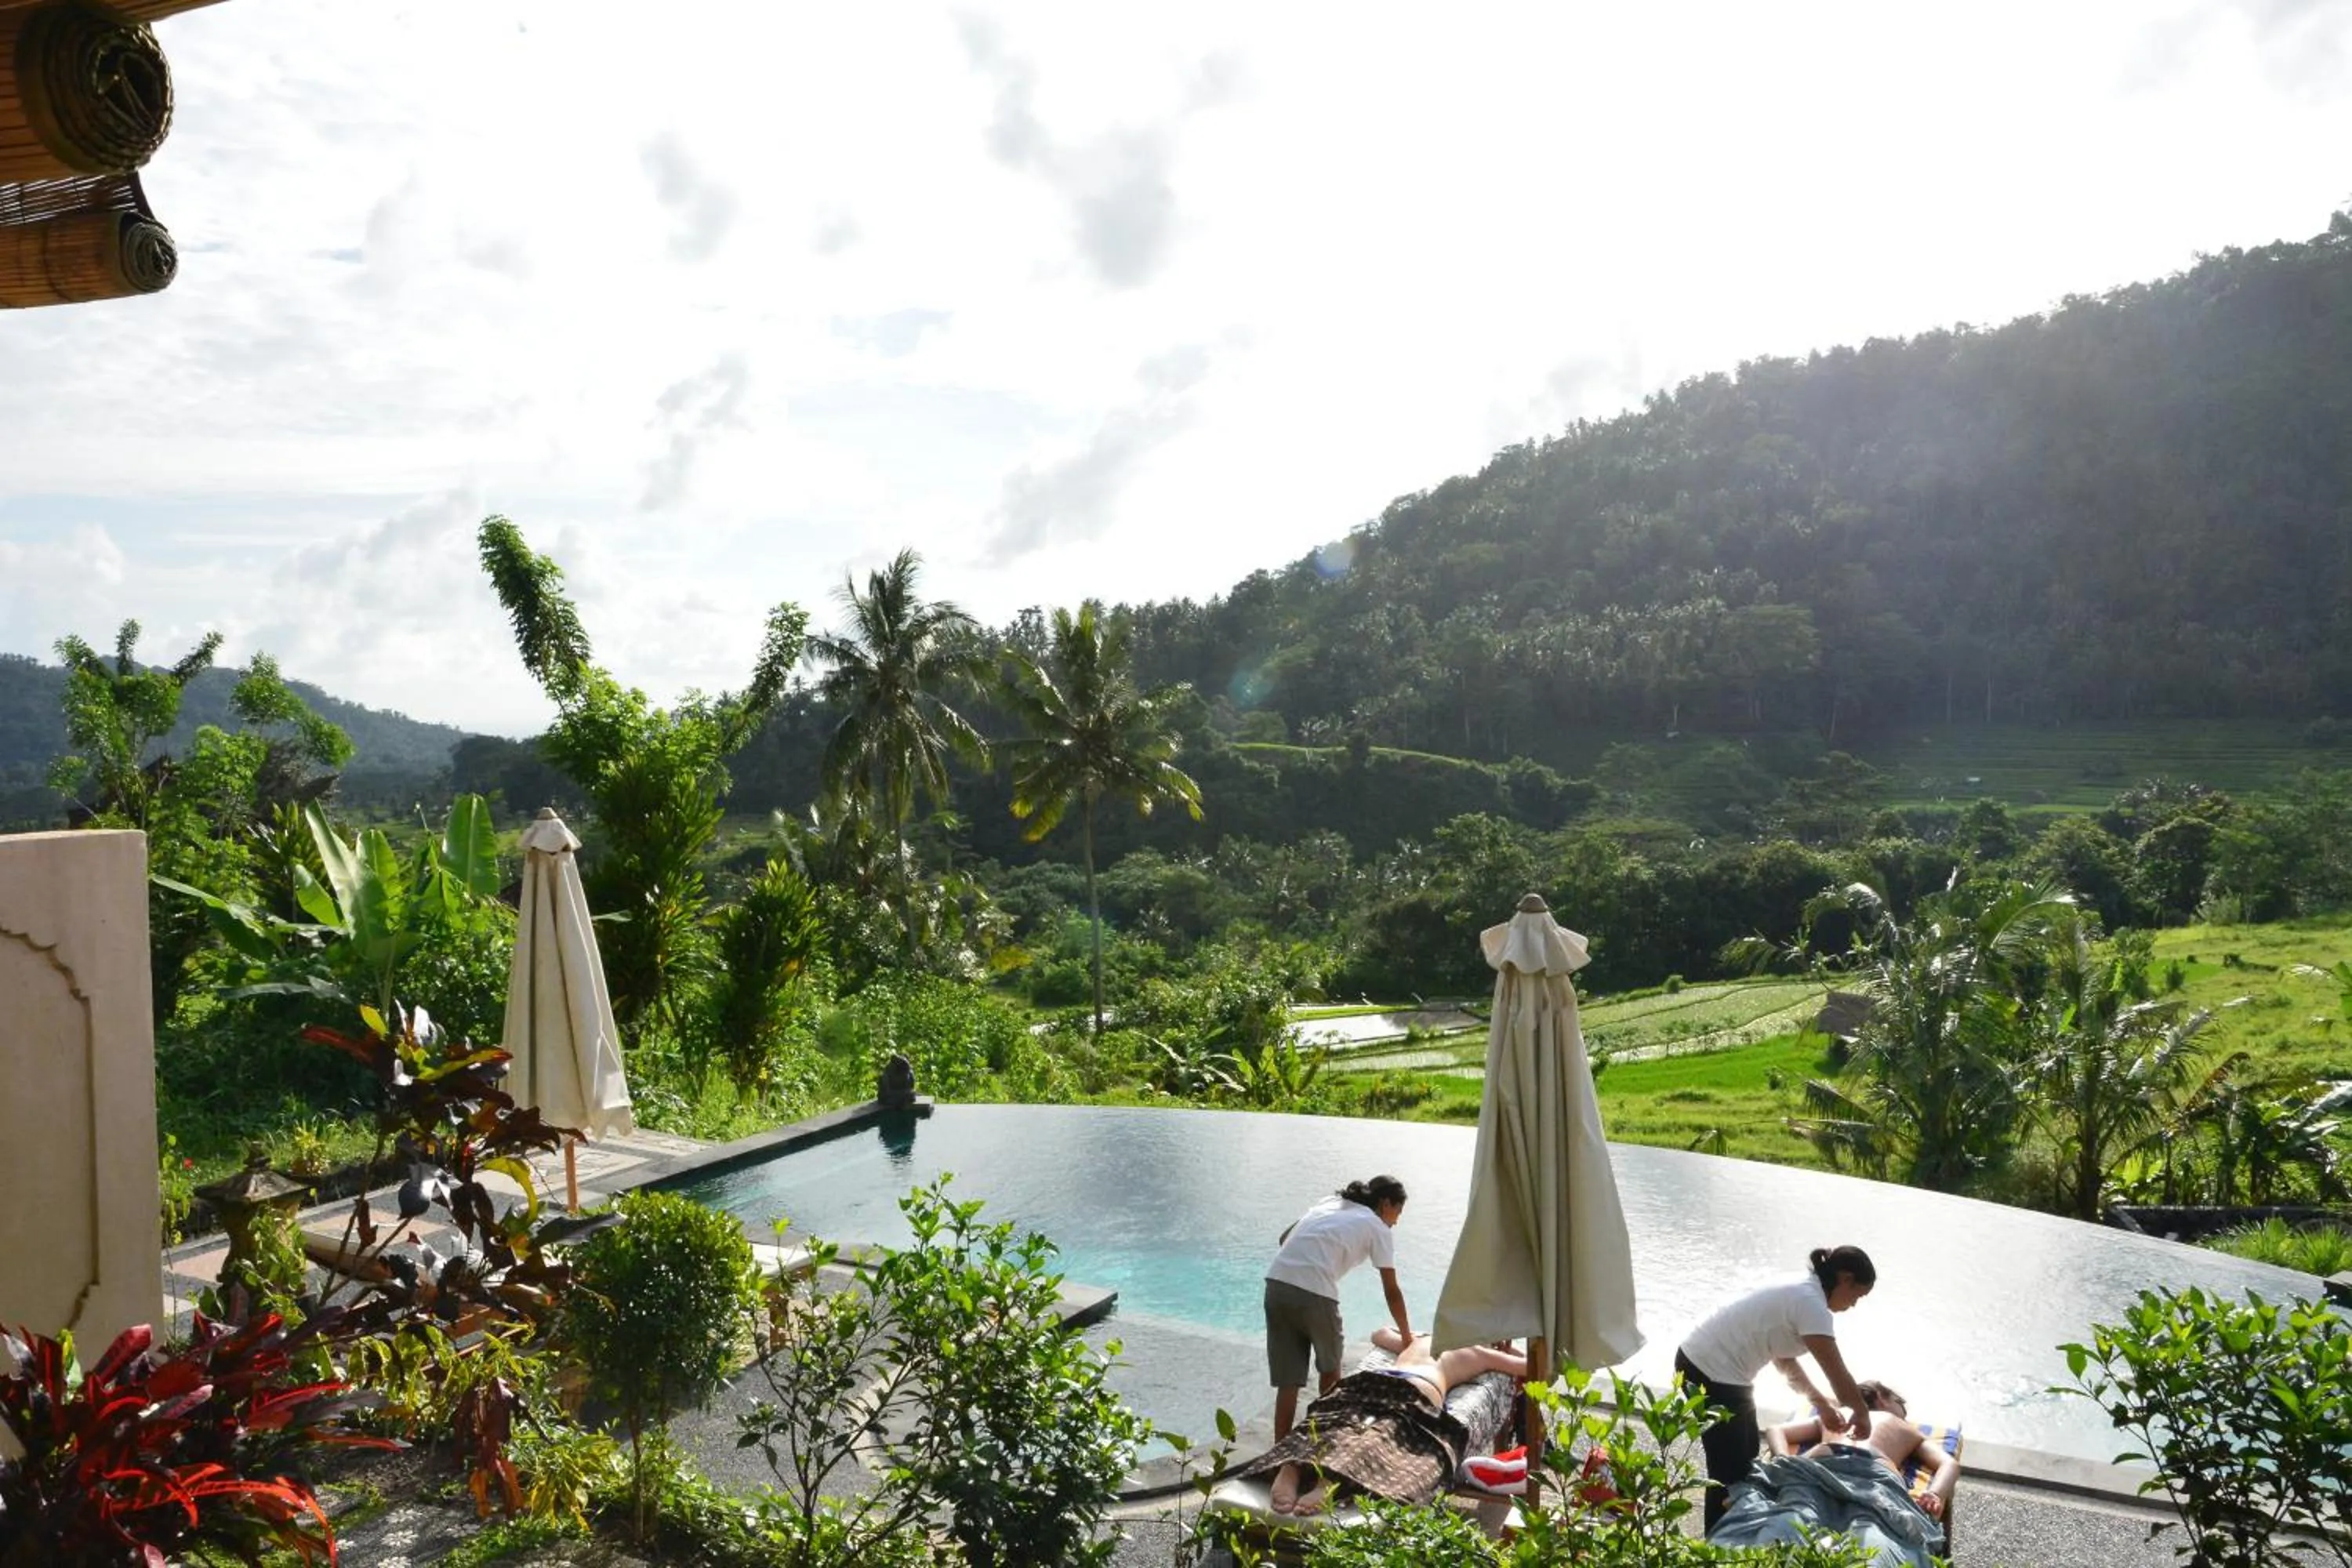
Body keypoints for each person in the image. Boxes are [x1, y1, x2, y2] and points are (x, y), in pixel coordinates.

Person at [1675, 1243, 1879, 1533]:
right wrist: (1860, 1410)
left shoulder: (1803, 1292)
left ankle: (1730, 1538)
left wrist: (1822, 1405)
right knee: (1730, 1473)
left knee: (1745, 1457)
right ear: (1845, 1279)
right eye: (1857, 1295)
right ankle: (1719, 1546)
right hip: (1711, 1370)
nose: (1854, 1304)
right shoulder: (1811, 1304)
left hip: (1711, 1367)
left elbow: (1784, 1361)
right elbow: (1836, 1371)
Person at [1260, 1327, 1529, 1517]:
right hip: (1417, 1390)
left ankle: (1293, 1465)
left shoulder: (1420, 1339)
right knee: (1383, 1435)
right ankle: (1329, 1482)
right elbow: (1527, 1366)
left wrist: (1409, 1334)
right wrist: (1507, 1349)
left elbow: (1378, 1334)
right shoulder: (1479, 1353)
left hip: (1373, 1380)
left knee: (1336, 1420)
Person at [1264, 1175, 1414, 1440]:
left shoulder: (1332, 1203)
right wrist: (1407, 1337)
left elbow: (1284, 1238)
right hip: (1315, 1291)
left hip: (1277, 1284)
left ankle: (1279, 1451)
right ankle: (1322, 1445)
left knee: (1289, 1381)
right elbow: (1391, 1291)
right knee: (1331, 1371)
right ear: (1385, 1203)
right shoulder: (1377, 1226)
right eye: (1397, 1211)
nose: (1396, 1221)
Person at [1765, 1378, 1958, 1521]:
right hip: (1872, 1468)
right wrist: (1934, 1493)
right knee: (1869, 1525)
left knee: (1798, 1513)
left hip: (1825, 1456)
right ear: (1882, 1398)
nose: (1903, 1414)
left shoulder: (1840, 1415)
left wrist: (1784, 1461)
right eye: (1900, 1404)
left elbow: (1776, 1430)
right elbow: (1948, 1463)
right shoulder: (1902, 1427)